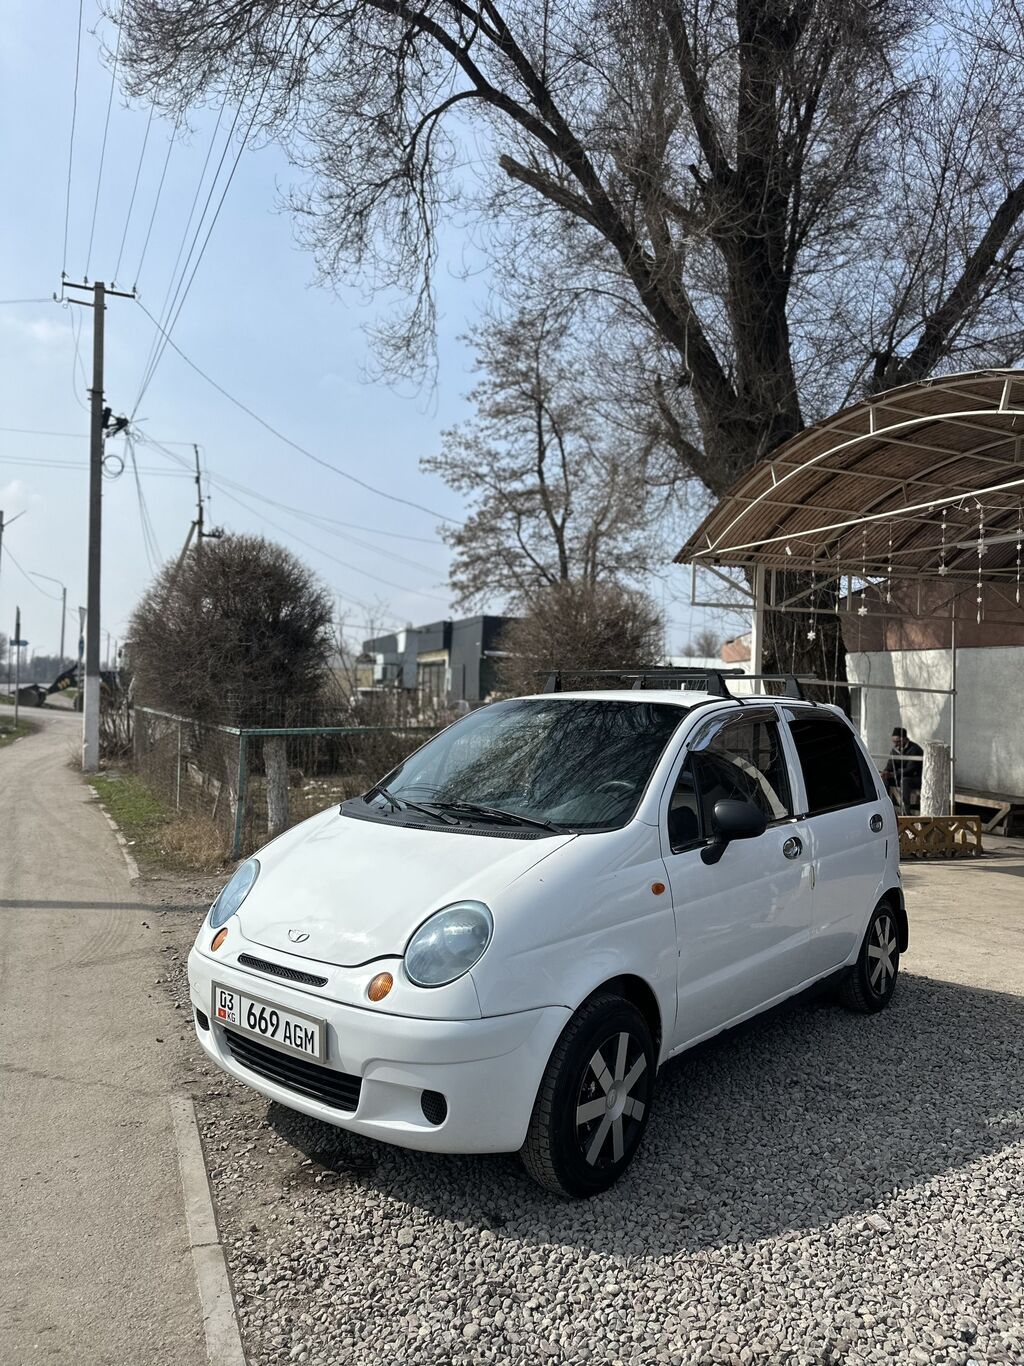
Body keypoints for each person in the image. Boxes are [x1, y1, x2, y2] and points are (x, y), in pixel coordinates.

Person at [882, 727, 923, 813]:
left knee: (905, 781)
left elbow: (911, 769)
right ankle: (885, 806)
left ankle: (906, 810)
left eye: (898, 741)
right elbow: (890, 765)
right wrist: (885, 772)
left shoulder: (914, 749)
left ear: (905, 739)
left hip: (917, 778)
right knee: (884, 779)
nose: (896, 744)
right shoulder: (895, 750)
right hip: (900, 776)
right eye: (894, 742)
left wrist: (894, 774)